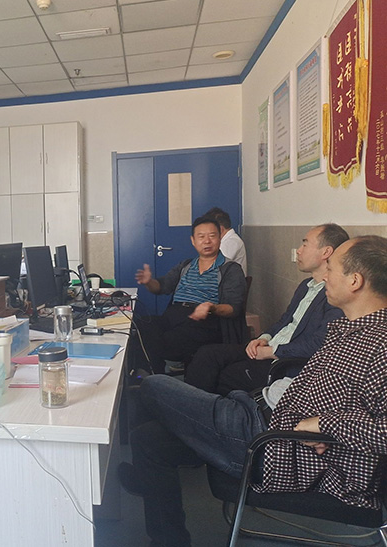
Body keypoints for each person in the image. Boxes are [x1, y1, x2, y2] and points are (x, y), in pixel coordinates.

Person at [118, 235, 387, 547]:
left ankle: (183, 445)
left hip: (269, 443)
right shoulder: (350, 329)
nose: (325, 276)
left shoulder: (380, 344)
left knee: (152, 386)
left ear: (354, 281)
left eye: (332, 270)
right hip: (260, 413)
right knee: (148, 439)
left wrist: (324, 425)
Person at [185, 223, 349, 394]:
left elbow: (317, 344)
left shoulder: (334, 296)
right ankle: (187, 405)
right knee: (207, 354)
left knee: (226, 375)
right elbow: (284, 320)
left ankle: (202, 408)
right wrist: (264, 337)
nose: (299, 251)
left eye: (305, 244)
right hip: (269, 347)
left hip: (284, 361)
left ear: (326, 252)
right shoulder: (305, 286)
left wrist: (272, 351)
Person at [128, 216, 247, 377]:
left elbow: (234, 308)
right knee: (140, 326)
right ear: (193, 241)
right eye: (201, 236)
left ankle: (157, 376)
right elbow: (162, 286)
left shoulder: (230, 269)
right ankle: (154, 374)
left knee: (166, 339)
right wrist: (149, 282)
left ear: (220, 238)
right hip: (175, 315)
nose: (207, 241)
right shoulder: (186, 265)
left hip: (205, 320)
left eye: (212, 236)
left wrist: (211, 307)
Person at [204, 206, 247, 275]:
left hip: (231, 281)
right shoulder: (225, 241)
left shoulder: (232, 242)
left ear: (220, 229)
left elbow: (215, 266)